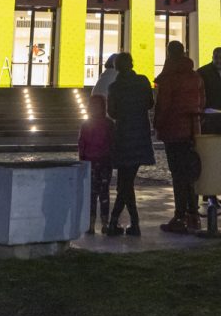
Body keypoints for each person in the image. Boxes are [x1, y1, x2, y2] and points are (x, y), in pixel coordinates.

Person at [155, 40, 205, 233]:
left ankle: (179, 216)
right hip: (192, 130)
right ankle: (193, 215)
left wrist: (157, 124)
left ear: (169, 53)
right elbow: (202, 102)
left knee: (178, 174)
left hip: (174, 130)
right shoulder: (195, 77)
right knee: (190, 174)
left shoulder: (169, 77)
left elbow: (163, 105)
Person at [105, 52, 154, 236]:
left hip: (123, 135)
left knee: (125, 183)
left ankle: (118, 222)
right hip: (140, 134)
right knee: (126, 183)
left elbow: (112, 113)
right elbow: (150, 103)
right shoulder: (142, 81)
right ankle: (127, 223)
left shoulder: (114, 87)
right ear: (132, 64)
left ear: (117, 67)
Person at [78, 93, 113, 234]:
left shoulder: (86, 124)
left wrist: (82, 159)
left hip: (93, 162)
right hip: (103, 161)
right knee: (102, 193)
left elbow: (82, 143)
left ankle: (92, 224)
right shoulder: (108, 123)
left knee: (93, 194)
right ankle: (103, 222)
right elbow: (112, 142)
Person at [198, 46, 221, 114]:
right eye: (216, 57)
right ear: (212, 57)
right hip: (208, 111)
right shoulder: (203, 72)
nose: (218, 60)